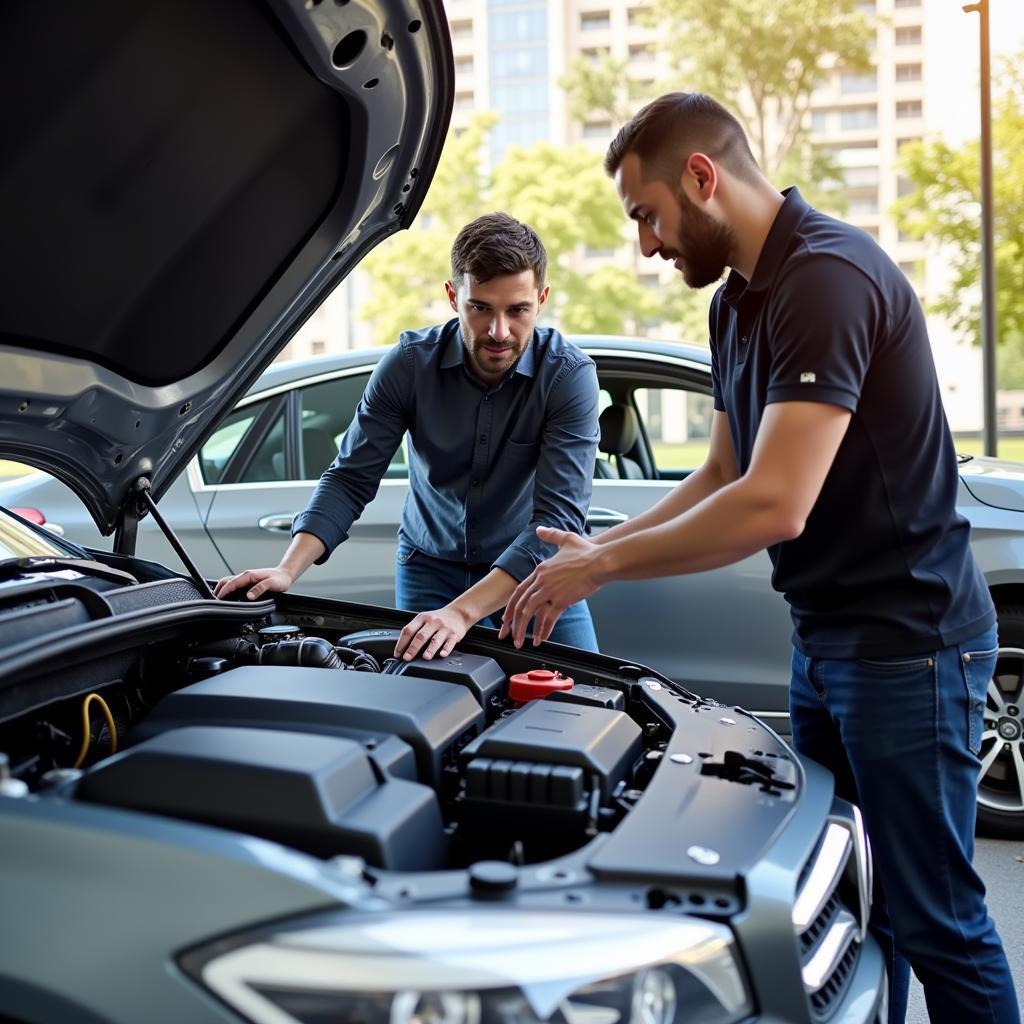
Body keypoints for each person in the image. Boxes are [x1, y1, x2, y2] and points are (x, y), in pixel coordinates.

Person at [499, 93, 1018, 1024]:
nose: (647, 246)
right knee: (854, 906)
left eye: (646, 215)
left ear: (702, 177)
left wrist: (604, 573)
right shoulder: (738, 302)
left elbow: (776, 502)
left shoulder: (828, 278)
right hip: (825, 643)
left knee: (937, 917)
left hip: (911, 644)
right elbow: (723, 472)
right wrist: (593, 549)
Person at [215, 212, 600, 661]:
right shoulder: (409, 364)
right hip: (429, 569)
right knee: (429, 705)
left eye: (518, 311)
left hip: (532, 575)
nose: (499, 331)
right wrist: (287, 569)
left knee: (583, 702)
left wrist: (460, 614)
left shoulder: (569, 377)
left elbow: (555, 523)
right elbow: (350, 478)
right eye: (480, 308)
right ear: (453, 296)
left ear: (542, 299)